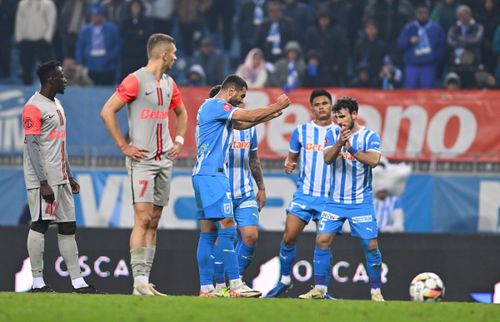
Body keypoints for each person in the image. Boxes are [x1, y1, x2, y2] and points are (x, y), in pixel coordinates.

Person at [100, 33, 188, 296]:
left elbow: (182, 113)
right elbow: (107, 111)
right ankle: (138, 281)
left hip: (164, 161)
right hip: (142, 161)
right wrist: (123, 147)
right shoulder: (135, 80)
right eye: (173, 52)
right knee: (143, 217)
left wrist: (180, 139)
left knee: (155, 220)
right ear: (163, 54)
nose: (175, 57)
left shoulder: (170, 83)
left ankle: (145, 282)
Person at [192, 74, 290, 297]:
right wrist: (277, 104)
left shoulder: (213, 111)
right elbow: (246, 115)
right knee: (227, 226)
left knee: (208, 232)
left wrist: (269, 115)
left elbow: (244, 122)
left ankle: (206, 288)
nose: (241, 101)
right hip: (212, 175)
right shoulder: (216, 105)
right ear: (230, 92)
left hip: (205, 174)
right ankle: (235, 284)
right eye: (240, 96)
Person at [22, 60, 100, 293]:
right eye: (62, 76)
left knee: (68, 226)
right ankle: (37, 283)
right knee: (40, 224)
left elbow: (59, 144)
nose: (66, 80)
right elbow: (32, 146)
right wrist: (43, 182)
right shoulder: (33, 107)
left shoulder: (56, 104)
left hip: (61, 177)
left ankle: (78, 283)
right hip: (43, 180)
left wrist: (70, 174)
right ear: (50, 80)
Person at [299, 97, 384, 301]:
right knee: (322, 240)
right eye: (337, 117)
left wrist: (351, 149)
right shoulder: (331, 133)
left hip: (360, 202)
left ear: (354, 115)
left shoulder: (370, 136)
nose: (340, 121)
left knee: (371, 244)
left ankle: (376, 292)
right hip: (335, 201)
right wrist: (340, 143)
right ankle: (319, 289)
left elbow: (374, 161)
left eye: (343, 117)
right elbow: (327, 158)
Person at [266, 88, 337, 298]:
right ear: (312, 108)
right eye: (318, 104)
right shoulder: (301, 131)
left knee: (323, 242)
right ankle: (285, 281)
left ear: (330, 106)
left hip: (329, 198)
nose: (322, 107)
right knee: (288, 238)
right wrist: (289, 164)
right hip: (304, 195)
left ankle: (321, 290)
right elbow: (292, 158)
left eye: (325, 103)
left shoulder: (339, 132)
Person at [207, 84, 267, 295]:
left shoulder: (249, 128)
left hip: (244, 191)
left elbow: (253, 157)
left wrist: (261, 187)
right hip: (221, 190)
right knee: (224, 238)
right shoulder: (214, 127)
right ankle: (219, 286)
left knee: (250, 236)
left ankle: (237, 282)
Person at [397, 4, 445, 89]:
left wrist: (433, 57)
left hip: (428, 66)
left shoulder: (436, 28)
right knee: (410, 92)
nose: (422, 15)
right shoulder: (409, 28)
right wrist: (409, 41)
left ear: (428, 14)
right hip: (412, 65)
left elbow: (442, 47)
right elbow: (400, 44)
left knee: (427, 93)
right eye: (420, 13)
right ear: (416, 14)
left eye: (424, 13)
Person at [75, 3, 122, 85]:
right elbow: (80, 47)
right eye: (93, 15)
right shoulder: (85, 30)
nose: (95, 18)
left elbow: (118, 45)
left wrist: (110, 57)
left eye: (97, 15)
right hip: (90, 66)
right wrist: (80, 64)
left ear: (102, 15)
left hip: (108, 66)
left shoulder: (112, 28)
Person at [15, 0, 57, 85]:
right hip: (26, 39)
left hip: (42, 40)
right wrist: (19, 37)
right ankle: (26, 84)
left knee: (47, 67)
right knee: (26, 66)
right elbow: (19, 21)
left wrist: (47, 38)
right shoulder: (23, 4)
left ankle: (50, 86)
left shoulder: (48, 3)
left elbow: (51, 21)